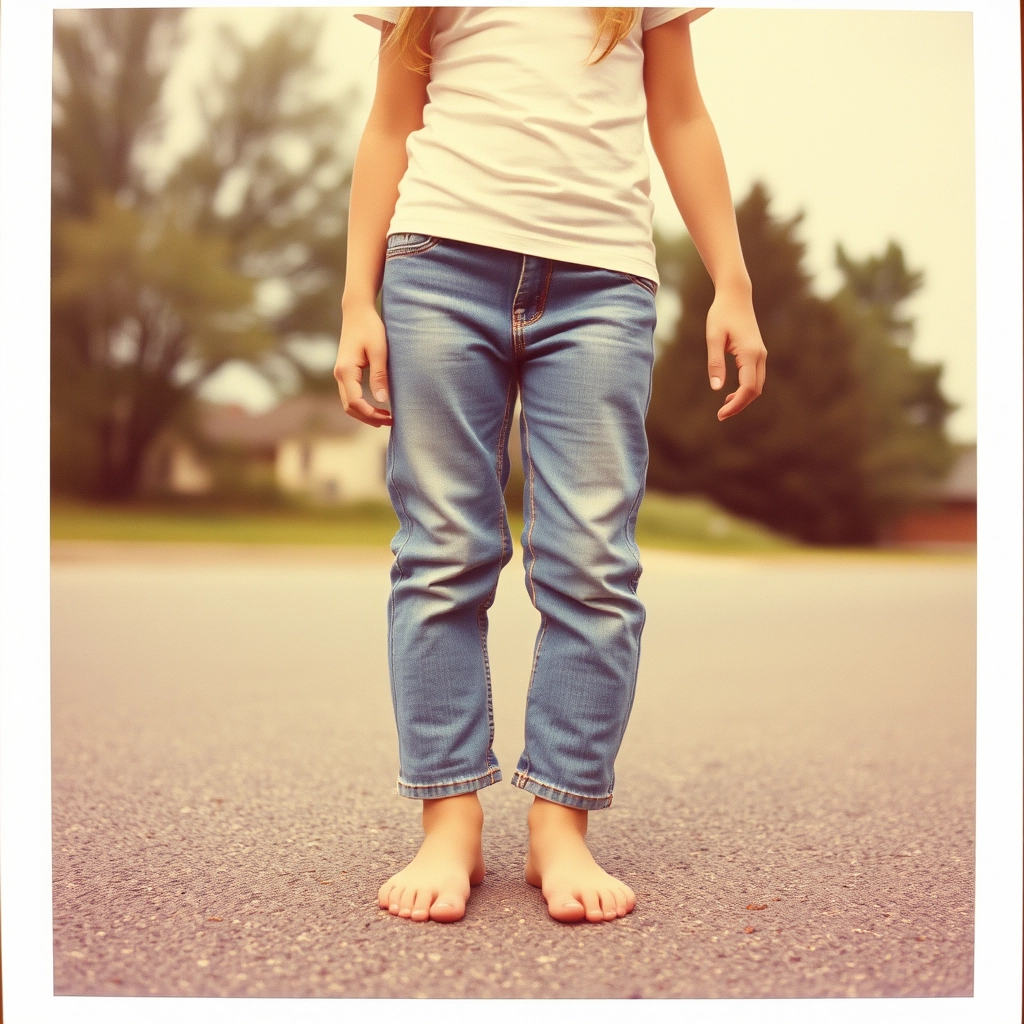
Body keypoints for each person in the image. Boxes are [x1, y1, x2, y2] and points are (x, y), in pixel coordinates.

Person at [335, 6, 767, 925]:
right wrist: (354, 302)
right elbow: (388, 121)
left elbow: (680, 112)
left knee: (593, 565)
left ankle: (560, 824)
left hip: (603, 282)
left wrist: (732, 279)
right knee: (444, 550)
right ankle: (448, 820)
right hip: (438, 265)